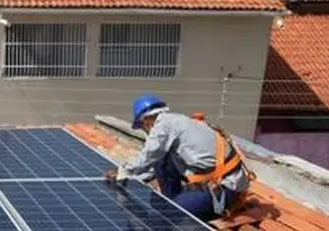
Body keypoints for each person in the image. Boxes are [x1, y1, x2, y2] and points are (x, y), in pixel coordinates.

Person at [104, 94, 250, 221]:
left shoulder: (163, 127)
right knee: (162, 162)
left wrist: (123, 170)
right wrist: (133, 177)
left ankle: (183, 207)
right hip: (212, 181)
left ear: (146, 120)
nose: (145, 130)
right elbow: (154, 163)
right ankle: (176, 200)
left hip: (225, 187)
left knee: (170, 213)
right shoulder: (176, 121)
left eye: (143, 126)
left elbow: (148, 155)